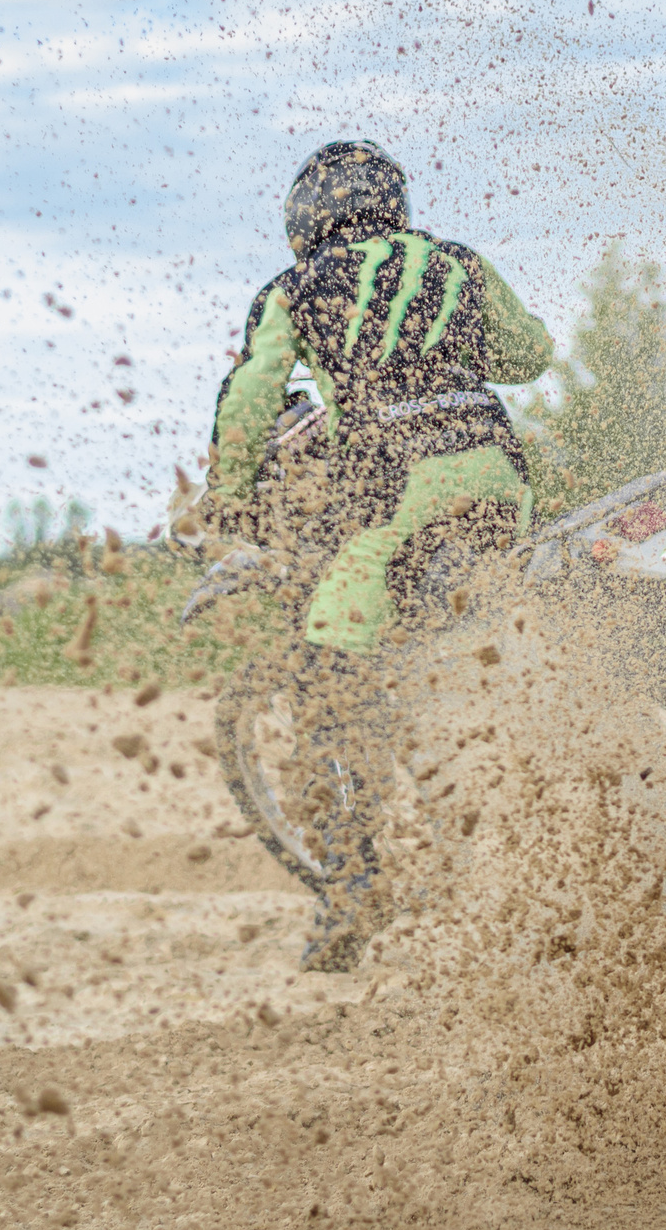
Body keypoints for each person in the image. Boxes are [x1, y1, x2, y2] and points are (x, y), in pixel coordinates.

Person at [205, 140, 556, 968]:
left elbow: (254, 393)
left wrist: (229, 490)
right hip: (502, 487)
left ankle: (351, 900)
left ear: (304, 222)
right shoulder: (457, 264)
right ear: (393, 201)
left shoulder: (295, 289)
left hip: (401, 503)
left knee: (329, 680)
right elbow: (530, 356)